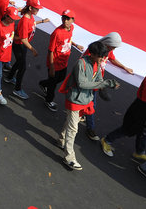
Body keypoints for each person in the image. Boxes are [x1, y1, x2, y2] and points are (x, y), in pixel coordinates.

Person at [57, 41, 120, 170]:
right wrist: (105, 84)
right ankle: (69, 157)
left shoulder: (96, 64)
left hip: (85, 100)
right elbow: (82, 84)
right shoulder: (81, 63)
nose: (103, 58)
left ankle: (61, 139)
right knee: (73, 128)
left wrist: (107, 85)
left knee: (70, 123)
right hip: (75, 100)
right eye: (101, 56)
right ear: (93, 54)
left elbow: (98, 80)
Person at [84, 32, 134, 141]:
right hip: (91, 83)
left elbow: (112, 59)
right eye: (113, 47)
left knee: (89, 104)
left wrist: (124, 67)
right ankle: (90, 128)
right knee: (91, 106)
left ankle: (83, 116)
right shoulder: (94, 50)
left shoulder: (107, 50)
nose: (113, 50)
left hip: (97, 82)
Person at [40, 9, 84, 111]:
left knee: (60, 78)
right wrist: (51, 67)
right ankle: (49, 100)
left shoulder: (71, 28)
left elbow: (68, 39)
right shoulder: (57, 33)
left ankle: (43, 84)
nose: (65, 20)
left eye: (68, 18)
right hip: (55, 63)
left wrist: (76, 45)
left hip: (64, 62)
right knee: (53, 84)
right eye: (63, 18)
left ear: (73, 20)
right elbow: (50, 51)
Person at [5, 0, 50, 100]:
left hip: (22, 45)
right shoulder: (25, 20)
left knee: (19, 62)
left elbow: (32, 24)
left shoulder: (30, 17)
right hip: (20, 45)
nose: (38, 10)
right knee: (23, 67)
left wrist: (42, 21)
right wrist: (33, 49)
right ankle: (17, 89)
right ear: (30, 8)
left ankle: (9, 77)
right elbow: (23, 39)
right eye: (36, 8)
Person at [0, 7, 20, 105]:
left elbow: (11, 36)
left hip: (6, 54)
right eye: (12, 18)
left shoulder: (12, 24)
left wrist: (19, 38)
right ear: (6, 16)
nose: (13, 20)